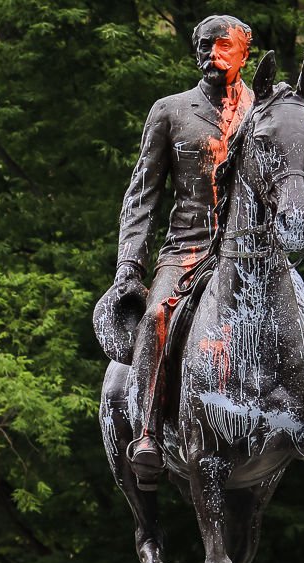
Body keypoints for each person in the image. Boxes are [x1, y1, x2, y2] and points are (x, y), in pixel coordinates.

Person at [113, 14, 254, 487]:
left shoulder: (263, 110)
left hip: (251, 253)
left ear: (243, 53)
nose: (212, 54)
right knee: (156, 317)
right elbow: (142, 195)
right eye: (204, 46)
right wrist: (129, 267)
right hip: (188, 250)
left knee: (303, 311)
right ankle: (148, 432)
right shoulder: (170, 110)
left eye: (222, 46)